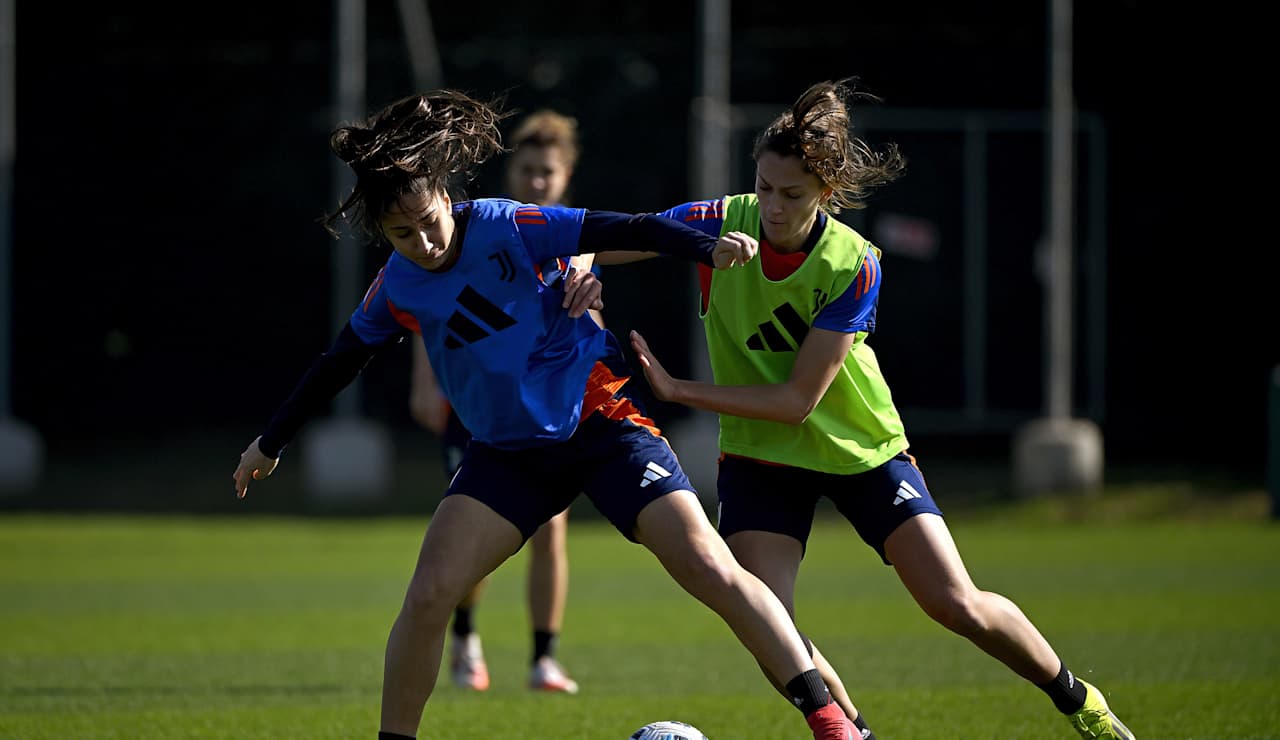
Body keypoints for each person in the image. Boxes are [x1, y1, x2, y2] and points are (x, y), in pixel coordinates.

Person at [231, 88, 864, 740]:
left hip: (599, 419)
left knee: (709, 567)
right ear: (381, 234)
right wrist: (270, 442)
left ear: (447, 197)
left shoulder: (511, 224)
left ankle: (829, 721)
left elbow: (628, 227)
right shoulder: (397, 283)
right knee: (426, 599)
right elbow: (339, 361)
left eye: (428, 221)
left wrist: (703, 249)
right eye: (401, 233)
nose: (422, 240)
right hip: (508, 452)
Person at [618, 79, 1136, 740]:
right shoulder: (726, 218)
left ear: (826, 195)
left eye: (792, 195)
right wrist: (573, 258)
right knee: (767, 621)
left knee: (956, 604)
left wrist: (680, 391)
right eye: (764, 187)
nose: (771, 208)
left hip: (858, 448)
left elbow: (797, 401)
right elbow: (635, 234)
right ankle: (852, 733)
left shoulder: (853, 264)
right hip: (759, 455)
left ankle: (1076, 699)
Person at [407, 109, 594, 694]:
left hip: (541, 419)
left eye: (549, 172)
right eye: (529, 170)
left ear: (565, 178)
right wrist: (428, 390)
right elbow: (429, 317)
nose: (538, 182)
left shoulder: (574, 241)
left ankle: (544, 658)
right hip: (474, 417)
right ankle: (465, 635)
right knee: (473, 545)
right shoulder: (478, 232)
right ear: (512, 171)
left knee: (552, 533)